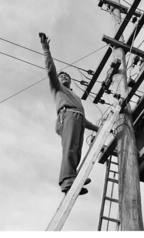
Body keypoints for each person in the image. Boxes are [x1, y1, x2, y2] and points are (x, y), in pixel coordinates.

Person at [39, 32, 99, 196]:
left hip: (77, 119)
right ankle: (67, 179)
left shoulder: (75, 97)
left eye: (67, 75)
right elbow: (51, 70)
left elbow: (83, 119)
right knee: (70, 148)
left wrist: (97, 128)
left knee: (76, 150)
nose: (63, 76)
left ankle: (71, 177)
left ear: (71, 81)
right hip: (67, 117)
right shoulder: (57, 88)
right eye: (61, 75)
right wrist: (46, 49)